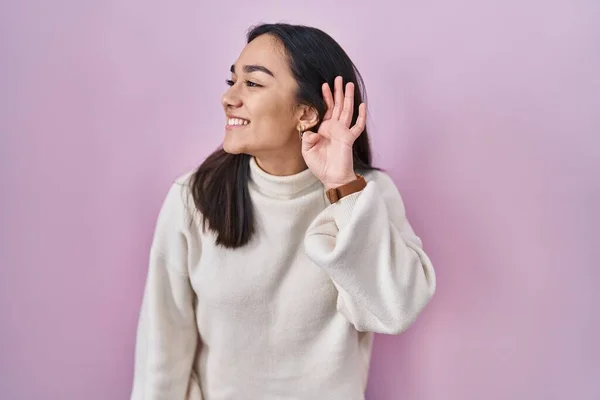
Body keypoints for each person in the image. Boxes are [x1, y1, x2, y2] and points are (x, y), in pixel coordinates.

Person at [131, 22, 436, 400]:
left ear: (306, 113)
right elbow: (161, 352)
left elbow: (394, 310)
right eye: (232, 81)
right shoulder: (194, 198)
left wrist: (342, 185)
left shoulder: (367, 196)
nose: (229, 98)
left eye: (253, 84)